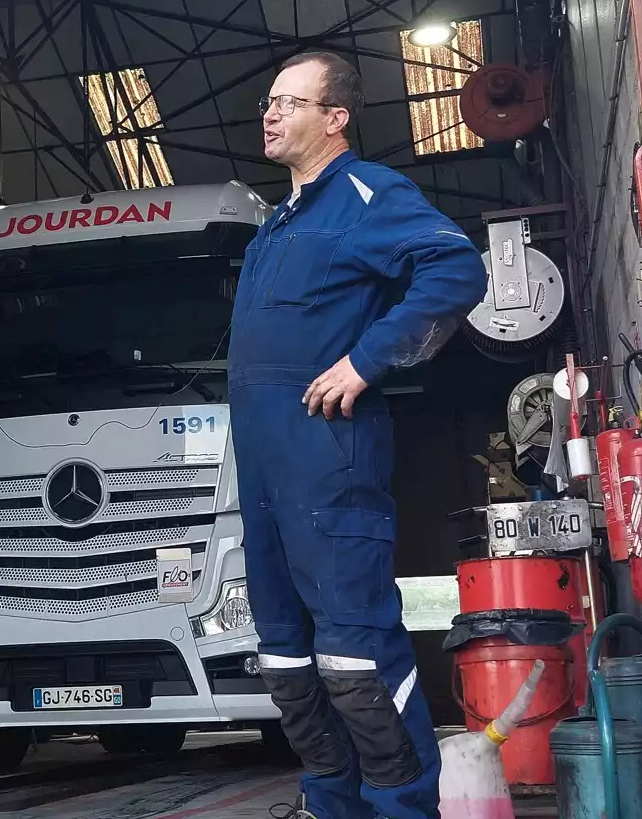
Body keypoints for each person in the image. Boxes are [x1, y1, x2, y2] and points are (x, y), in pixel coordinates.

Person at [229, 52, 488, 819]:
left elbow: (454, 268)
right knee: (287, 661)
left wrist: (366, 361)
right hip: (266, 478)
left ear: (336, 118)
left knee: (356, 660)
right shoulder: (275, 225)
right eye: (268, 103)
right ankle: (329, 802)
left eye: (289, 103)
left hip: (328, 468)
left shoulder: (369, 197)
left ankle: (403, 807)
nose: (269, 115)